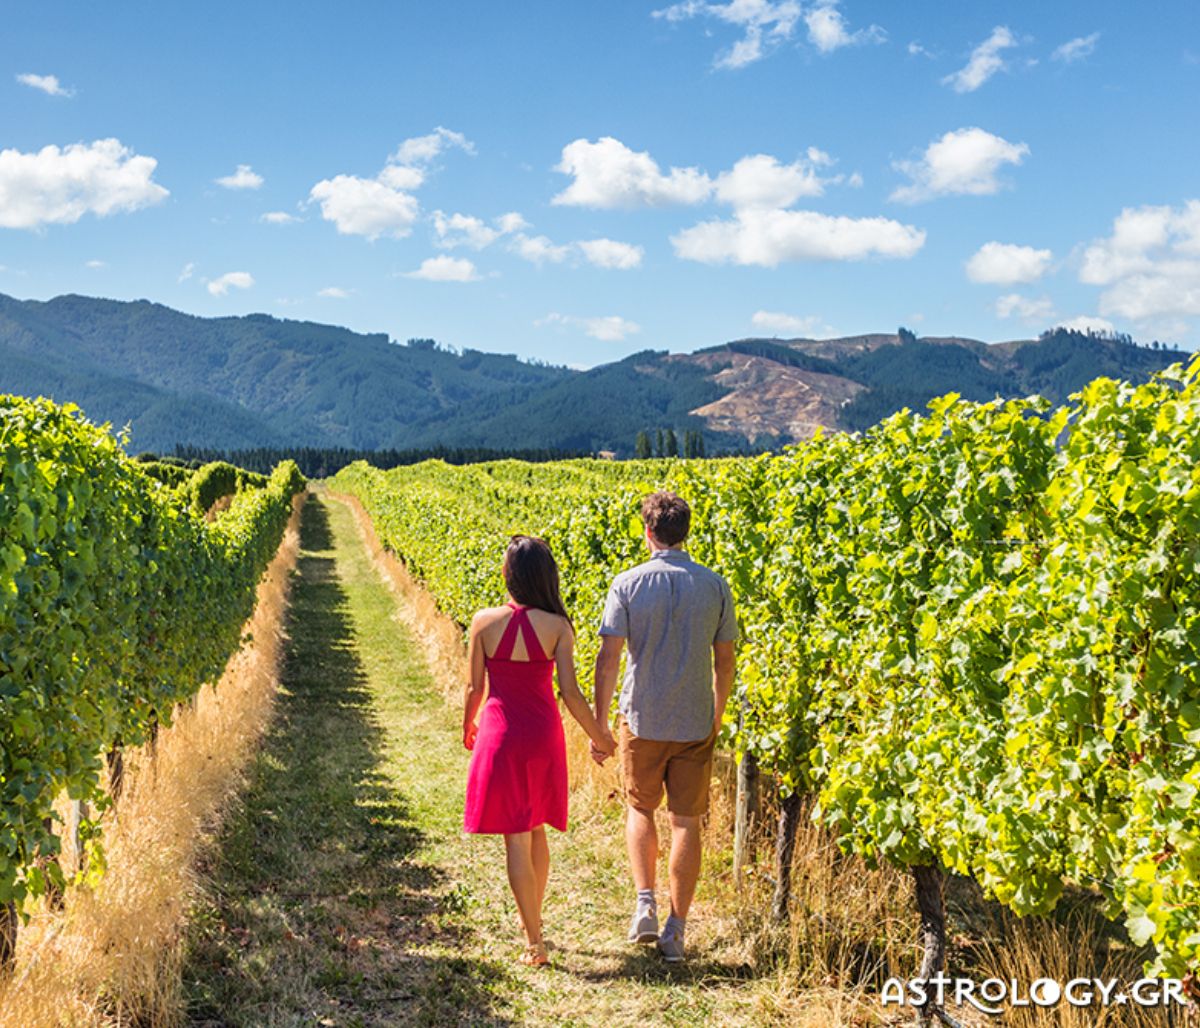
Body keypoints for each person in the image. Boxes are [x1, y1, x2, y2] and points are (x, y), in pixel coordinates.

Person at [591, 491, 737, 963]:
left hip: (643, 718)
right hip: (695, 718)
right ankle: (676, 930)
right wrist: (715, 714)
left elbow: (608, 658)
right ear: (685, 531)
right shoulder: (715, 586)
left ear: (647, 531)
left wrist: (600, 725)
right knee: (686, 822)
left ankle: (644, 906)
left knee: (640, 809)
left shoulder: (628, 584)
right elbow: (725, 661)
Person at [463, 534, 616, 966]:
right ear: (547, 578)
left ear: (508, 575)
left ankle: (533, 939)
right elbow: (570, 693)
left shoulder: (483, 622)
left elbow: (475, 687)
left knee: (516, 835)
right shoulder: (558, 627)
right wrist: (600, 736)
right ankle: (535, 919)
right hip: (543, 735)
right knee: (536, 829)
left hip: (501, 733)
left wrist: (467, 725)